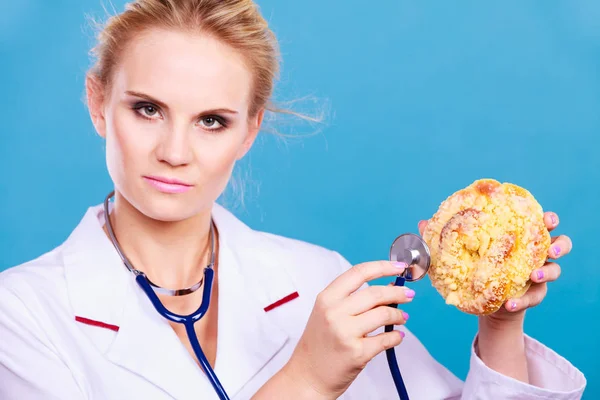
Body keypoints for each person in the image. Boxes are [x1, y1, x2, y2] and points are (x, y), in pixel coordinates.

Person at [0, 0, 587, 399]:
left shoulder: (318, 279)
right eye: (147, 109)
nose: (175, 151)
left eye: (211, 120)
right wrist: (308, 379)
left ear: (249, 131)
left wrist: (500, 325)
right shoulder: (20, 315)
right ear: (98, 102)